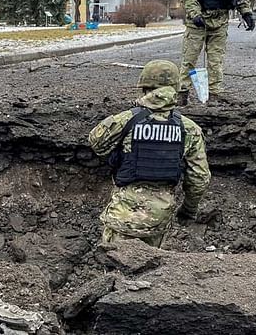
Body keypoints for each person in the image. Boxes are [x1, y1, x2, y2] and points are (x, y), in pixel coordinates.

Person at [89, 60, 211, 247]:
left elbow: (97, 143)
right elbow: (199, 178)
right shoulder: (188, 129)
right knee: (151, 271)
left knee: (113, 270)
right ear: (176, 90)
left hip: (122, 217)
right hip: (158, 220)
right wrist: (188, 210)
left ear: (145, 88)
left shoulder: (127, 120)